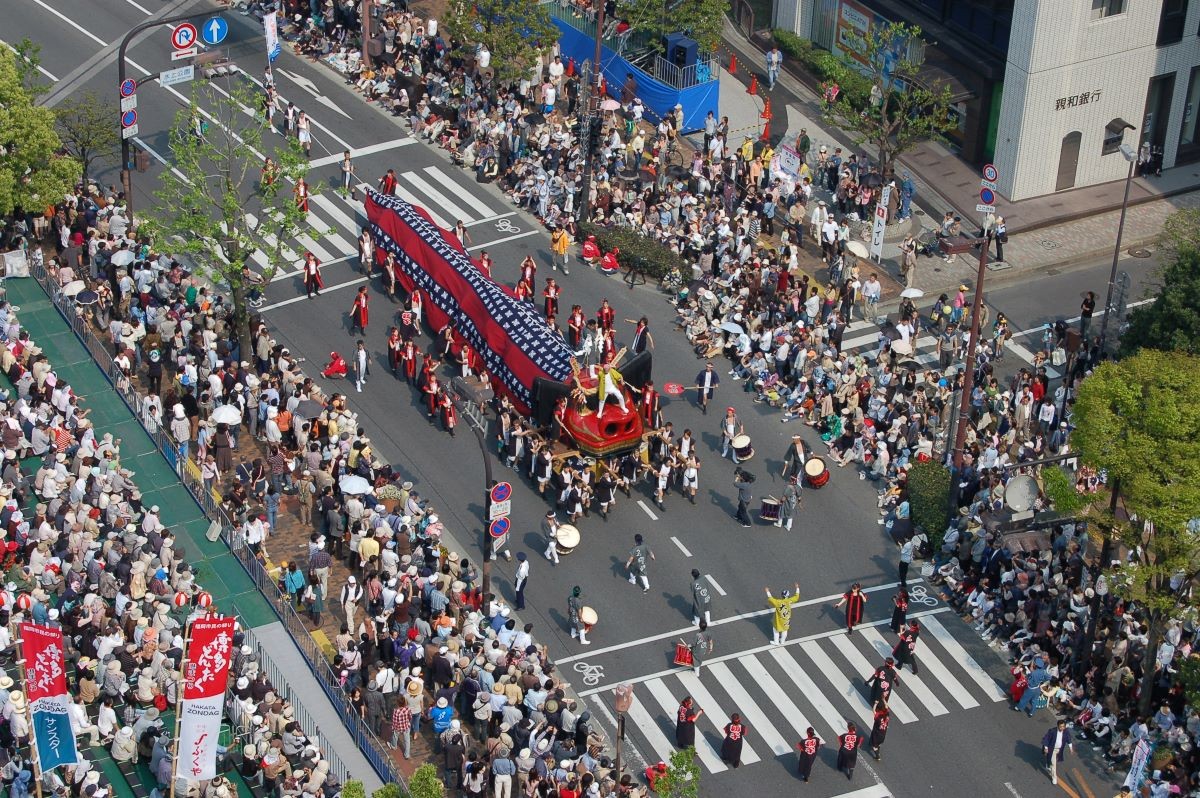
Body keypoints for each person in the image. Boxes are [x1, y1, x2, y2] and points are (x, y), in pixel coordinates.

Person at [1042, 718, 1074, 786]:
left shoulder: (1066, 731)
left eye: (1063, 726)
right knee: (1054, 764)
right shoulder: (1052, 731)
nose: (1062, 728)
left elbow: (1068, 739)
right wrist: (1046, 747)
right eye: (1060, 726)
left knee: (1052, 760)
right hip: (1052, 749)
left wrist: (1071, 748)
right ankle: (1054, 778)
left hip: (1059, 750)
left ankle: (1048, 764)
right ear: (1057, 726)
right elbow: (1046, 739)